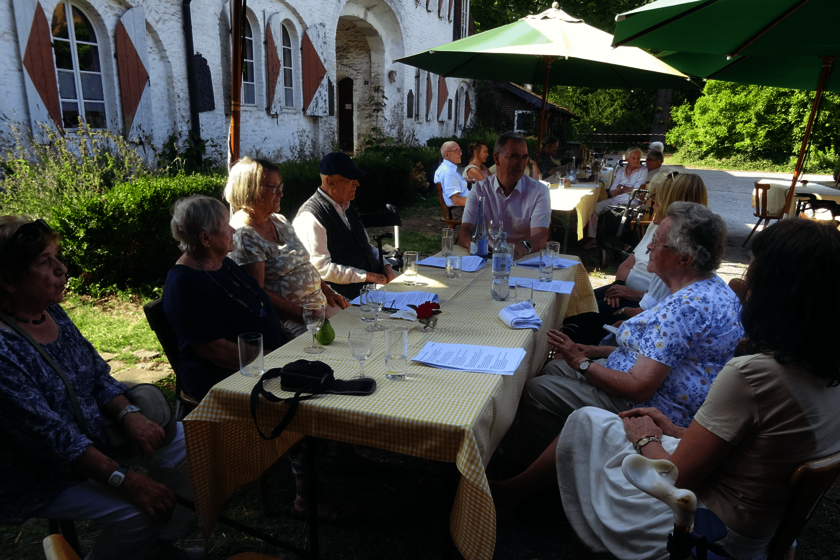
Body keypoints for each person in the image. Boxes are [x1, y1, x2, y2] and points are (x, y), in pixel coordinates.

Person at [492, 218, 840, 560]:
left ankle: (519, 494)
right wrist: (673, 429)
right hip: (758, 528)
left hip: (700, 530)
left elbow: (676, 475)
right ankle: (525, 489)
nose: (747, 285)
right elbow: (751, 448)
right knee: (591, 419)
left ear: (778, 293)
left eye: (754, 274)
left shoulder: (752, 376)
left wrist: (647, 437)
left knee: (587, 423)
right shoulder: (822, 371)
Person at [0, 217, 201, 560]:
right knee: (140, 513)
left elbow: (95, 373)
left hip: (92, 441)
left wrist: (127, 413)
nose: (62, 269)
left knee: (195, 447)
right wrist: (127, 482)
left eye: (57, 257)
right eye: (45, 264)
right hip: (39, 474)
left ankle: (156, 548)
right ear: (7, 280)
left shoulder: (50, 312)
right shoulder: (4, 351)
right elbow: (55, 438)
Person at [510, 202, 743, 464]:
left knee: (536, 389)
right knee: (552, 368)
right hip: (655, 384)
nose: (649, 248)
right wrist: (596, 351)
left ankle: (539, 469)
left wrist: (581, 361)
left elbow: (638, 388)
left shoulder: (685, 308)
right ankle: (562, 452)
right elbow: (664, 355)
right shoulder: (710, 286)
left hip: (656, 407)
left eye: (657, 241)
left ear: (684, 258)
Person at [163, 195, 286, 402]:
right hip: (226, 378)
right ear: (205, 238)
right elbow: (214, 349)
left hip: (265, 363)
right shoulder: (184, 283)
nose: (233, 230)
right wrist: (272, 361)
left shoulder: (223, 264)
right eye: (226, 225)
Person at [224, 157, 348, 337]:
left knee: (365, 326)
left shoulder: (278, 220)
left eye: (280, 186)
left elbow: (303, 262)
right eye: (273, 188)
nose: (281, 193)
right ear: (250, 190)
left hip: (318, 305)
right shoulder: (244, 234)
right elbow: (257, 294)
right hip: (290, 320)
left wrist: (327, 290)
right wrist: (305, 315)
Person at [598, 173, 709, 318]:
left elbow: (666, 299)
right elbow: (629, 262)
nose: (653, 206)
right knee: (582, 303)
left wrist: (629, 299)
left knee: (587, 315)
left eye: (657, 201)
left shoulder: (681, 240)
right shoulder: (659, 226)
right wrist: (618, 286)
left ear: (672, 202)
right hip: (631, 293)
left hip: (645, 304)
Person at [293, 153, 395, 300]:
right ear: (330, 181)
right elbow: (320, 268)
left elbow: (365, 246)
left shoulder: (347, 207)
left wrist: (386, 266)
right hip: (343, 300)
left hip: (372, 291)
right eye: (350, 180)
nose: (357, 183)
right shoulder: (310, 217)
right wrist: (368, 276)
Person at [456, 131, 551, 259]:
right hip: (486, 258)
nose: (521, 163)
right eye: (514, 156)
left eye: (524, 157)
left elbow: (540, 236)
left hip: (524, 260)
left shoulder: (539, 191)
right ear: (496, 159)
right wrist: (474, 245)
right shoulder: (479, 190)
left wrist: (524, 247)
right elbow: (465, 231)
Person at [582, 146, 648, 249]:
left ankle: (615, 242)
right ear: (627, 159)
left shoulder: (643, 171)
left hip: (632, 202)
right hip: (615, 199)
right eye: (633, 158)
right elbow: (612, 191)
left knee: (617, 215)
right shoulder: (621, 171)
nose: (636, 161)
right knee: (594, 208)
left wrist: (621, 187)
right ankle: (592, 238)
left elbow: (636, 190)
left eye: (638, 158)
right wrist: (626, 189)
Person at [435, 141, 471, 220]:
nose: (460, 153)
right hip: (460, 211)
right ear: (447, 154)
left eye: (460, 151)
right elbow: (456, 201)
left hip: (463, 209)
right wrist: (478, 202)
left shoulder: (447, 169)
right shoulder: (448, 173)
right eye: (456, 151)